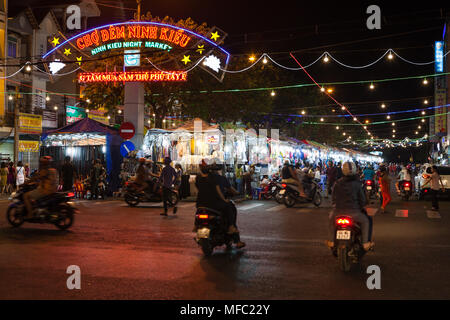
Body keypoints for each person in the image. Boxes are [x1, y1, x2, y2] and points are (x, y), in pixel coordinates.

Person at [195, 160, 245, 248]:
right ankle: (231, 227)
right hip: (214, 204)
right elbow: (218, 191)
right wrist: (225, 199)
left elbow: (199, 189)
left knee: (199, 211)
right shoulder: (216, 178)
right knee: (230, 207)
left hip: (200, 203)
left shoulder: (198, 178)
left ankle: (195, 225)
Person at [327, 161, 374, 251]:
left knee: (331, 220)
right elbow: (362, 200)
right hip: (354, 213)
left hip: (337, 212)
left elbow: (333, 198)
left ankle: (331, 241)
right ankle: (365, 243)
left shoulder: (337, 183)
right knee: (366, 221)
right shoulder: (358, 184)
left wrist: (335, 206)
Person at [210, 161, 246, 248]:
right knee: (231, 210)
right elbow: (229, 189)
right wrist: (236, 192)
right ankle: (233, 232)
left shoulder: (204, 178)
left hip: (206, 203)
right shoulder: (221, 178)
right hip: (218, 203)